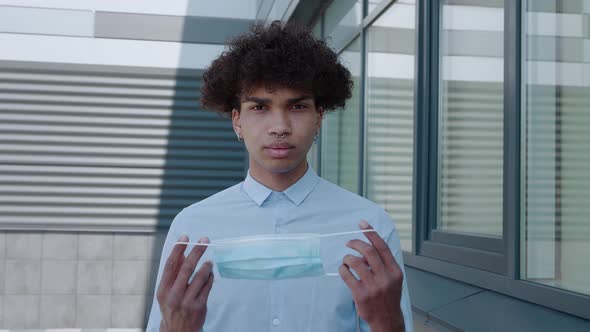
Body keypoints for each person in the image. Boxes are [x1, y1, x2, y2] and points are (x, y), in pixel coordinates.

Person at [146, 21, 413, 332]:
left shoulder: (369, 228)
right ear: (237, 122)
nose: (280, 126)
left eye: (297, 106)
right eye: (260, 107)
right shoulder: (191, 229)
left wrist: (388, 323)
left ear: (319, 119)